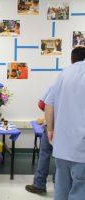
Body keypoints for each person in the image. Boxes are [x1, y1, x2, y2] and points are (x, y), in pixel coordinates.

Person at [44, 46, 85, 200]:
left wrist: (50, 130)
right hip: (81, 149)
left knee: (61, 188)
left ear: (71, 59)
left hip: (62, 146)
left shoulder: (64, 73)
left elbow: (49, 104)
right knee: (80, 190)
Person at [25, 86, 55, 194]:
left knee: (44, 154)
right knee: (61, 156)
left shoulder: (56, 84)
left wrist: (49, 122)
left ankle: (39, 185)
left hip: (53, 124)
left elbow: (42, 104)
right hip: (69, 127)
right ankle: (59, 182)